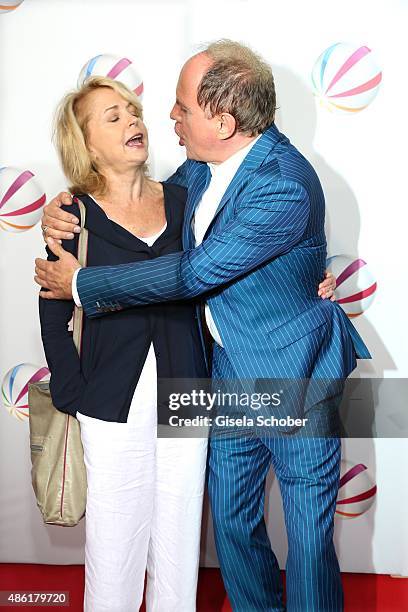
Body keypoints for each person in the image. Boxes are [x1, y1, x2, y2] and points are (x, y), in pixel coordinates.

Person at [34, 40, 362, 612]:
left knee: (308, 539)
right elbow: (128, 206)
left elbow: (194, 274)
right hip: (225, 379)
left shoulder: (281, 182)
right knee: (232, 528)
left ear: (224, 121)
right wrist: (65, 203)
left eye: (182, 107)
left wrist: (83, 286)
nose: (168, 117)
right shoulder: (195, 171)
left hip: (297, 373)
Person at [39, 76, 209, 612]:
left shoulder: (187, 201)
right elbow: (53, 308)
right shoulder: (74, 216)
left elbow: (233, 269)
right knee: (114, 548)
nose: (132, 121)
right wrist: (74, 391)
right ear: (85, 143)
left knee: (180, 544)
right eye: (112, 117)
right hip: (109, 401)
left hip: (189, 392)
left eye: (132, 111)